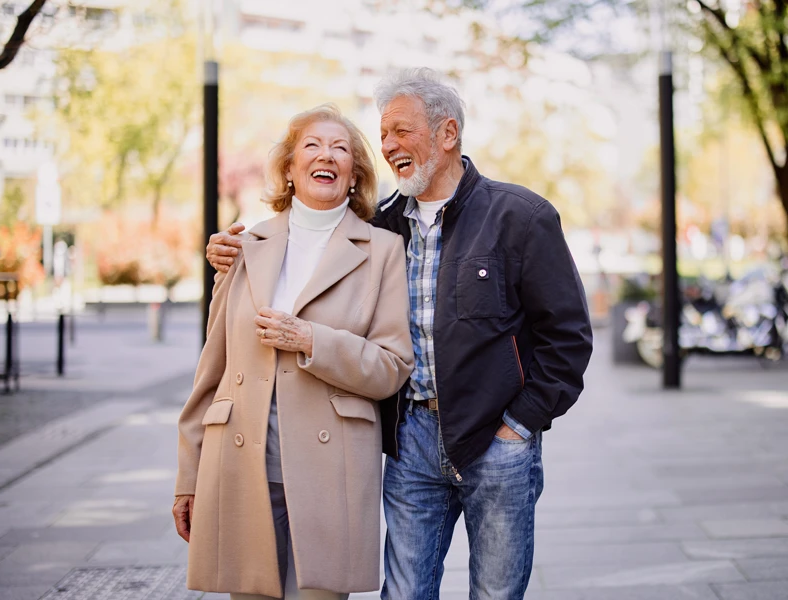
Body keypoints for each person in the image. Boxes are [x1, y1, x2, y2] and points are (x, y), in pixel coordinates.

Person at [206, 69, 593, 600]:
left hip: (497, 444)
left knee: (497, 594)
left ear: (447, 134)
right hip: (411, 442)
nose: (387, 146)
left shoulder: (519, 216)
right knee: (405, 594)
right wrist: (233, 250)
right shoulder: (383, 224)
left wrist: (520, 425)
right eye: (384, 134)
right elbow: (310, 231)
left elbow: (568, 337)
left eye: (402, 132)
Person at [174, 104, 414, 600]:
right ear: (289, 168)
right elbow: (212, 369)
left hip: (333, 470)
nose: (326, 155)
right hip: (240, 462)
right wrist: (189, 474)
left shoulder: (382, 250)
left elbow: (393, 367)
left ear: (354, 175)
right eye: (312, 145)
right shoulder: (245, 245)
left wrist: (311, 341)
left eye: (341, 148)